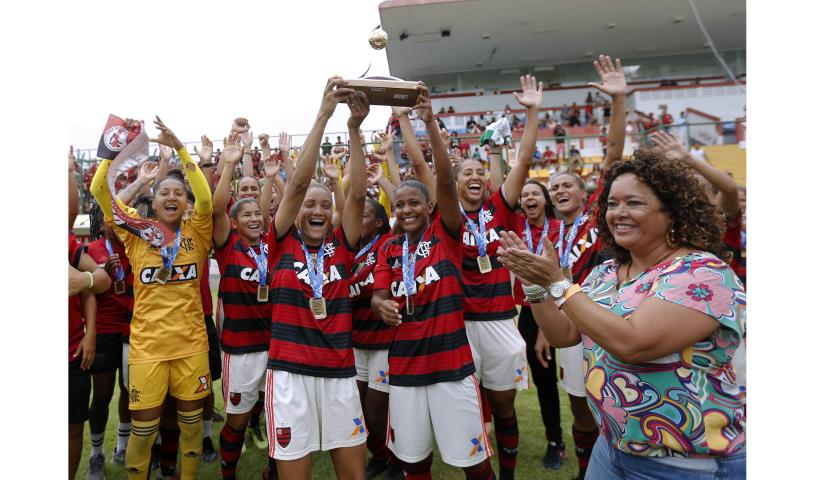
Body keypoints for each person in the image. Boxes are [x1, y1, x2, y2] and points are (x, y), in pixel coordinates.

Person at [496, 149, 745, 479]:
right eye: (612, 203)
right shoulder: (606, 272)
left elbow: (632, 343)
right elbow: (563, 335)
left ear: (673, 212)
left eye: (634, 203)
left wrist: (557, 282)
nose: (618, 213)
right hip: (611, 449)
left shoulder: (703, 273)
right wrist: (535, 288)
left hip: (684, 464)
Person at [371, 82, 496, 480]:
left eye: (414, 203)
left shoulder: (446, 234)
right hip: (405, 368)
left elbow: (443, 178)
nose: (406, 209)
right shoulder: (389, 249)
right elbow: (377, 294)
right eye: (400, 204)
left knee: (474, 465)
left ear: (430, 207)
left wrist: (427, 122)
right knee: (413, 463)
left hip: (451, 367)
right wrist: (381, 305)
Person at [90, 116, 214, 480]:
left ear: (185, 202)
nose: (172, 196)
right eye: (164, 192)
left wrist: (179, 148)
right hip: (147, 350)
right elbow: (101, 190)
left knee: (191, 430)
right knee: (142, 437)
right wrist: (113, 150)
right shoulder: (136, 233)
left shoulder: (199, 230)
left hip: (191, 347)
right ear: (153, 201)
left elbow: (205, 196)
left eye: (178, 193)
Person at [264, 78, 368, 479]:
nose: (317, 210)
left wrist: (356, 130)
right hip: (290, 376)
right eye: (310, 205)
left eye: (326, 205)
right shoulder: (280, 243)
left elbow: (357, 195)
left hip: (340, 374)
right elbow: (297, 184)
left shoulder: (343, 245)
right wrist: (324, 115)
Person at [546, 55, 629, 480]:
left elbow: (613, 157)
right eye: (553, 187)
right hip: (571, 322)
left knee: (611, 399)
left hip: (609, 318)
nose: (559, 190)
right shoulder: (550, 232)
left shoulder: (599, 215)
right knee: (578, 401)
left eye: (566, 185)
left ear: (584, 192)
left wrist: (618, 102)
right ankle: (586, 468)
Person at [457, 74, 543, 480]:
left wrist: (531, 112)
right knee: (466, 407)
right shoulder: (443, 218)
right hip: (456, 325)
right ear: (454, 183)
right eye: (465, 172)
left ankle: (506, 473)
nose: (474, 176)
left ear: (486, 180)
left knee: (503, 404)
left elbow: (522, 163)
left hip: (498, 321)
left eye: (480, 171)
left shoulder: (498, 207)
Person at [210, 131, 276, 480]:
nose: (254, 218)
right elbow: (217, 208)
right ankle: (228, 472)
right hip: (241, 350)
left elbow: (269, 205)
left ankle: (273, 468)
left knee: (280, 414)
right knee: (236, 420)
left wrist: (265, 171)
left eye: (257, 214)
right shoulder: (227, 246)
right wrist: (228, 165)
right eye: (245, 214)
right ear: (234, 223)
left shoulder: (273, 248)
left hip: (277, 346)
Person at [512, 179, 567, 470]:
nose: (528, 198)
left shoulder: (560, 229)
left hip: (563, 305)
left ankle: (567, 441)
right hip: (529, 309)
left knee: (563, 378)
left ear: (545, 199)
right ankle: (553, 439)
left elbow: (564, 276)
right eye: (524, 195)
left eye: (534, 193)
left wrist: (546, 329)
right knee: (542, 375)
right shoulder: (518, 227)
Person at [69, 146, 113, 479]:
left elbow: (96, 284)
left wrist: (90, 333)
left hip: (74, 352)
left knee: (72, 428)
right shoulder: (84, 243)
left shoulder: (67, 244)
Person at [349, 197, 398, 479]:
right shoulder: (350, 248)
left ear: (379, 222)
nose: (357, 220)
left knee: (377, 410)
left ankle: (398, 458)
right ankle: (380, 455)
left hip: (383, 341)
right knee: (360, 410)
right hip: (356, 341)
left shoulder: (389, 244)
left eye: (364, 215)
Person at [85, 202, 135, 479]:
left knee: (128, 389)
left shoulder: (135, 245)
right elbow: (88, 291)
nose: (115, 224)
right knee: (102, 394)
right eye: (109, 220)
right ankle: (96, 454)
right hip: (104, 330)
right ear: (101, 225)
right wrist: (102, 270)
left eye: (120, 218)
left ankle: (123, 446)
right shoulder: (91, 251)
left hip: (131, 328)